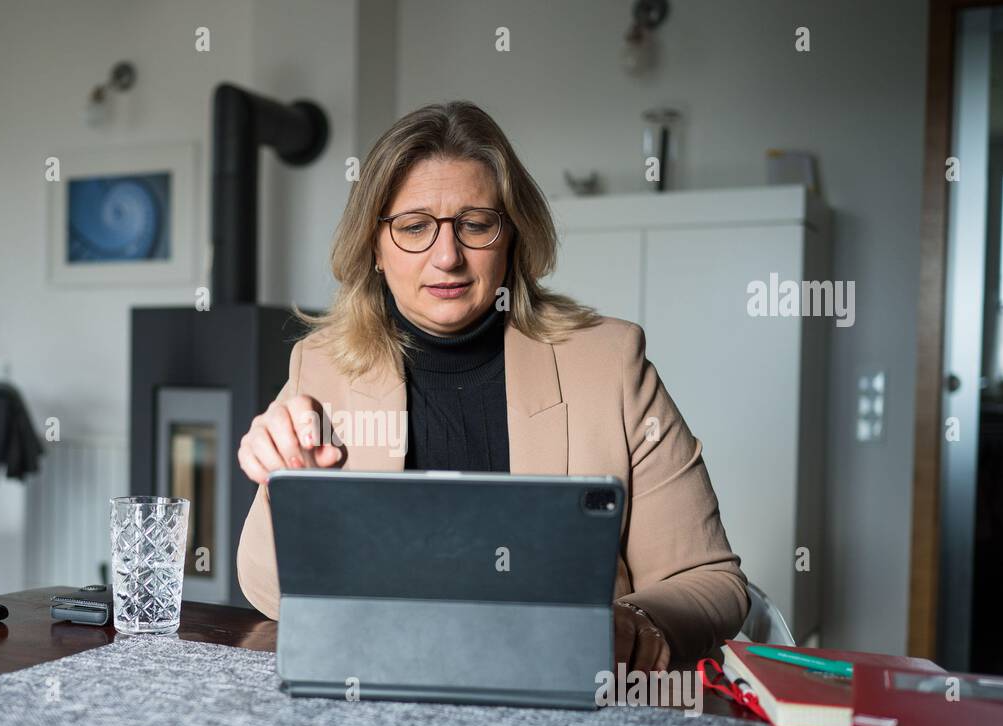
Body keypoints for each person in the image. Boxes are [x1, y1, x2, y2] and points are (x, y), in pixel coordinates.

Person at [235, 101, 748, 672]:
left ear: (513, 239)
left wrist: (634, 628)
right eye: (413, 228)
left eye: (476, 224)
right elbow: (269, 594)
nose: (448, 256)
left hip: (568, 705)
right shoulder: (322, 368)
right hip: (380, 694)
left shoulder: (610, 364)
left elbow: (711, 581)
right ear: (374, 248)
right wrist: (281, 489)